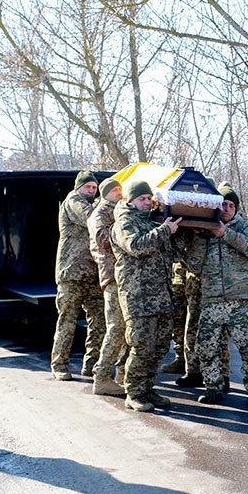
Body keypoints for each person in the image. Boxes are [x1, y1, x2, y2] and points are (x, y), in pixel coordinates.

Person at [111, 180, 181, 412]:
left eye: (149, 198)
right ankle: (134, 392)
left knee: (160, 346)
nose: (147, 202)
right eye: (142, 198)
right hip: (138, 297)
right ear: (130, 200)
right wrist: (164, 231)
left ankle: (148, 387)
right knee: (141, 346)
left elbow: (175, 255)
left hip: (161, 296)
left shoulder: (153, 222)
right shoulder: (125, 222)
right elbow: (136, 246)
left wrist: (178, 232)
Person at [192, 185, 248, 406]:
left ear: (236, 208)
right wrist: (200, 237)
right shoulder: (204, 231)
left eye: (230, 205)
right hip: (212, 300)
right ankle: (213, 388)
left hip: (239, 300)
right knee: (206, 347)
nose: (226, 208)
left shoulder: (244, 227)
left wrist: (226, 233)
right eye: (222, 204)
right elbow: (194, 266)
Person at [51, 171, 106, 381]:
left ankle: (91, 364)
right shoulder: (73, 201)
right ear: (79, 187)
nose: (92, 191)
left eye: (94, 188)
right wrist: (108, 204)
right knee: (68, 321)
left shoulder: (94, 203)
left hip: (92, 274)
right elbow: (90, 217)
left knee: (99, 321)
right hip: (71, 274)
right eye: (88, 187)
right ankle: (59, 364)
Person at [87, 178, 128, 396]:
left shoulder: (117, 211)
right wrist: (123, 224)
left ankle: (122, 373)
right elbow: (104, 239)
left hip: (123, 276)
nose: (120, 193)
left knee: (126, 329)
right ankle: (102, 377)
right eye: (115, 190)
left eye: (121, 189)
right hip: (112, 276)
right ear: (106, 194)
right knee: (116, 327)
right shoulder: (100, 213)